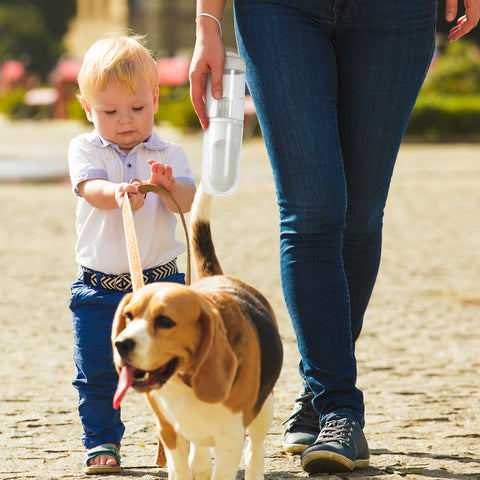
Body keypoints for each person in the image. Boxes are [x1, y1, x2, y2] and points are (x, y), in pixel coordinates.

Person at [189, 0, 480, 474]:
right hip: (278, 12)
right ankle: (341, 408)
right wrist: (207, 22)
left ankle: (318, 389)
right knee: (312, 209)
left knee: (361, 215)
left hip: (394, 14)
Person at [68, 35, 196, 474]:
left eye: (137, 109)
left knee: (175, 367)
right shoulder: (85, 148)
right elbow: (91, 190)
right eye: (109, 112)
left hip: (163, 285)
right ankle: (102, 440)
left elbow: (186, 203)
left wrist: (169, 186)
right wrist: (118, 192)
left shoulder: (168, 152)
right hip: (99, 288)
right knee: (97, 372)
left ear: (156, 99)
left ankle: (174, 438)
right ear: (88, 108)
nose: (125, 121)